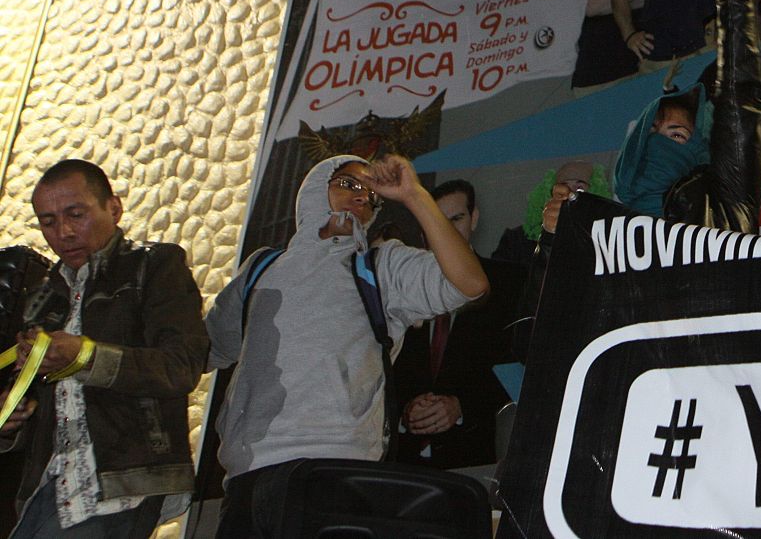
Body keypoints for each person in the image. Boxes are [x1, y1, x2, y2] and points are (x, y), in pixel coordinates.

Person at [205, 155, 488, 537]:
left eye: (371, 194)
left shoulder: (381, 266)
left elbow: (469, 284)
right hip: (245, 476)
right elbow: (201, 351)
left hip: (337, 472)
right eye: (348, 184)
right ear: (314, 188)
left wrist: (414, 195)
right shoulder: (260, 269)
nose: (361, 196)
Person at [0, 160, 207, 538]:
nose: (62, 232)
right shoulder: (42, 296)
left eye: (75, 214)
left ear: (114, 208)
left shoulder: (155, 265)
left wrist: (85, 356)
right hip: (49, 483)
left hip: (125, 479)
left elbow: (182, 365)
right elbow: (38, 401)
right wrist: (11, 416)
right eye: (47, 222)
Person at [549, 0, 761, 233]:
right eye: (652, 132)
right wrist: (554, 240)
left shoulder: (725, 206)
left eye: (676, 135)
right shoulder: (608, 239)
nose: (656, 145)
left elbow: (741, 95)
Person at [392, 180, 517, 470]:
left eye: (456, 219)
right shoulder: (401, 286)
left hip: (474, 462)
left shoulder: (510, 284)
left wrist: (462, 407)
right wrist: (404, 412)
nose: (447, 230)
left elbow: (519, 367)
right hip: (402, 464)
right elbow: (385, 368)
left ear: (474, 218)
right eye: (437, 221)